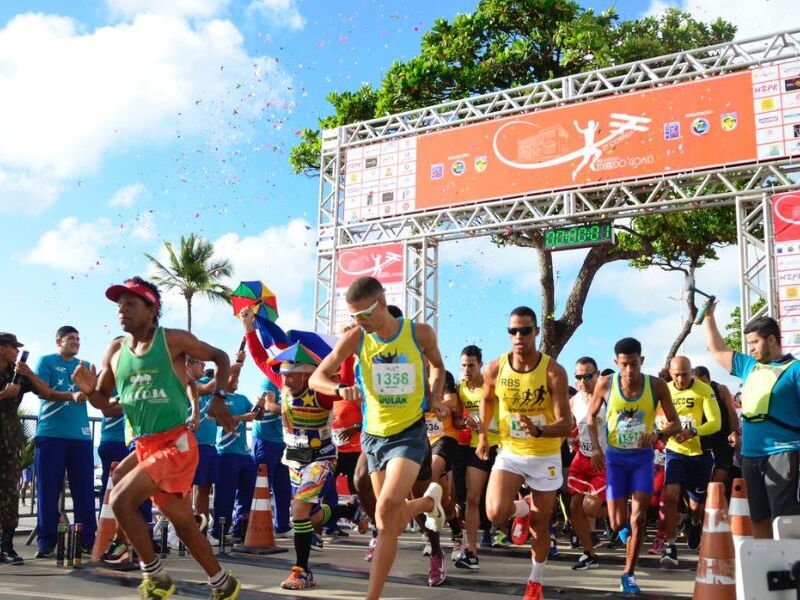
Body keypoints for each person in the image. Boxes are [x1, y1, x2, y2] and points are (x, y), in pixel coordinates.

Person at [71, 276, 241, 600]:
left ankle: (156, 577)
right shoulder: (116, 351)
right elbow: (107, 407)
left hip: (176, 443)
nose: (122, 308)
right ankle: (223, 583)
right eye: (119, 303)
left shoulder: (172, 340)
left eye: (131, 303)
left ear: (152, 310)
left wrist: (218, 397)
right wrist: (91, 390)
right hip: (146, 445)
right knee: (185, 525)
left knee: (121, 498)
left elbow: (220, 356)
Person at [309, 276, 448, 600]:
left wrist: (437, 397)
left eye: (363, 315)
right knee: (391, 524)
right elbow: (318, 377)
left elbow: (438, 368)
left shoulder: (419, 334)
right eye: (354, 317)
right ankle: (429, 502)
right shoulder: (357, 339)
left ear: (382, 302)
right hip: (373, 438)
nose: (359, 322)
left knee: (385, 510)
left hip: (409, 434)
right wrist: (340, 389)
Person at [240, 306, 367, 590]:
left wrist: (348, 357)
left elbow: (342, 382)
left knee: (298, 511)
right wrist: (248, 328)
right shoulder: (282, 386)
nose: (284, 379)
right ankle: (348, 511)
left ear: (307, 373)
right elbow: (260, 358)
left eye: (291, 374)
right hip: (294, 460)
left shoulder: (319, 392)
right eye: (283, 373)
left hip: (320, 457)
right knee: (308, 515)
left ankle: (302, 571)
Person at [477, 306, 571, 600]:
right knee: (494, 513)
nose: (519, 336)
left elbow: (566, 423)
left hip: (545, 455)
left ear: (536, 332)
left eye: (525, 330)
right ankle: (521, 508)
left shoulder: (553, 371)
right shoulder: (494, 368)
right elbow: (486, 399)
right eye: (513, 331)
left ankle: (535, 582)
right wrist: (483, 435)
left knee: (542, 526)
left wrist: (540, 430)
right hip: (511, 451)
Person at [587, 337, 679, 595]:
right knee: (617, 523)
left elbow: (676, 423)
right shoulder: (606, 384)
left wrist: (658, 435)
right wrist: (595, 447)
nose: (629, 370)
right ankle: (624, 532)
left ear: (642, 361)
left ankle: (629, 574)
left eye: (634, 364)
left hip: (642, 459)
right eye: (624, 364)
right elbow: (590, 417)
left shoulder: (657, 385)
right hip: (615, 459)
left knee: (638, 518)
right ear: (616, 362)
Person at [703, 308, 800, 537]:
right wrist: (708, 317)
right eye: (749, 343)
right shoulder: (749, 366)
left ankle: (790, 569)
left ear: (772, 339)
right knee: (758, 515)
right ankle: (767, 566)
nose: (751, 348)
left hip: (784, 452)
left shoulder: (795, 369)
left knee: (783, 517)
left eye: (755, 342)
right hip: (750, 455)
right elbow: (718, 350)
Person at [32, 326, 97, 557]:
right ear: (58, 341)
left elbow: (94, 395)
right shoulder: (46, 362)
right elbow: (43, 392)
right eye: (71, 338)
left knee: (85, 492)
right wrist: (72, 395)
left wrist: (92, 389)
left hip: (80, 436)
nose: (76, 342)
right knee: (48, 491)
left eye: (78, 339)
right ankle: (47, 541)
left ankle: (87, 540)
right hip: (51, 434)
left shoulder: (85, 366)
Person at [0, 332, 57, 564]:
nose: (16, 351)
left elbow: (47, 393)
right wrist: (4, 394)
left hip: (9, 439)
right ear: (2, 348)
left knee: (10, 492)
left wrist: (29, 374)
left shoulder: (17, 374)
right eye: (13, 347)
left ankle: (6, 546)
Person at [659, 356, 720, 567]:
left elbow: (715, 422)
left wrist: (693, 431)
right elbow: (656, 417)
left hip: (700, 453)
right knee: (670, 495)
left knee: (696, 505)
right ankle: (670, 545)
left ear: (691, 371)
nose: (681, 379)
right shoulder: (665, 389)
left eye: (685, 374)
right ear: (670, 372)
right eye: (676, 375)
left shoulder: (704, 389)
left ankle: (694, 522)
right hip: (675, 452)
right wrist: (662, 431)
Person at [454, 344, 497, 570]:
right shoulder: (461, 389)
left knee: (498, 506)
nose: (467, 369)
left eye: (471, 365)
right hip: (475, 448)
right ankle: (471, 552)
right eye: (463, 366)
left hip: (500, 446)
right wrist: (465, 422)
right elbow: (457, 420)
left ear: (480, 365)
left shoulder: (491, 387)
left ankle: (522, 510)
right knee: (472, 498)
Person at [567, 356, 608, 571]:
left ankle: (622, 513)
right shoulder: (574, 401)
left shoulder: (609, 397)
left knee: (589, 507)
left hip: (604, 460)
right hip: (581, 458)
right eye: (578, 377)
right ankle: (589, 554)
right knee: (575, 507)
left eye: (588, 376)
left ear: (598, 374)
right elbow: (564, 423)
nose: (583, 381)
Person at [210, 376, 260, 545]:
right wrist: (241, 417)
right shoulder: (218, 398)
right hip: (225, 452)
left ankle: (241, 531)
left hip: (244, 455)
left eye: (239, 376)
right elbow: (216, 420)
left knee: (247, 495)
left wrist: (260, 405)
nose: (237, 379)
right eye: (234, 376)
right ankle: (219, 533)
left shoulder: (243, 398)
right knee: (225, 495)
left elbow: (256, 416)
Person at [252, 376, 292, 537]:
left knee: (283, 486)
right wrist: (291, 410)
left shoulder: (289, 385)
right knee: (262, 486)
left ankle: (282, 526)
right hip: (265, 440)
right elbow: (268, 405)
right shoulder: (269, 381)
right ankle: (254, 526)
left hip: (282, 441)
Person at [693, 365, 739, 488]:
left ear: (707, 379)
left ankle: (714, 495)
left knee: (719, 475)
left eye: (701, 382)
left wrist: (734, 431)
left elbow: (732, 412)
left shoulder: (720, 389)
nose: (700, 386)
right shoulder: (694, 392)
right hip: (704, 438)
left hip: (724, 436)